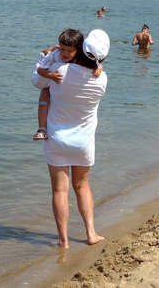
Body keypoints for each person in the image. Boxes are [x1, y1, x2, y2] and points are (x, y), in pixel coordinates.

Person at [32, 29, 110, 249]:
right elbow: (91, 67)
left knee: (59, 190)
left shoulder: (59, 70)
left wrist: (45, 55)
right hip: (84, 141)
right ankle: (91, 233)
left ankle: (63, 240)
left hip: (56, 138)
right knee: (82, 186)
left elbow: (37, 82)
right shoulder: (102, 79)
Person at [32, 29, 102, 140]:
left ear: (78, 50)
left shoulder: (82, 55)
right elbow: (40, 70)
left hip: (55, 72)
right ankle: (42, 129)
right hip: (42, 74)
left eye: (69, 51)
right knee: (44, 91)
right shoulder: (56, 55)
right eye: (62, 49)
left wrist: (98, 70)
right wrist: (51, 75)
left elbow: (97, 63)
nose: (65, 54)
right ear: (60, 47)